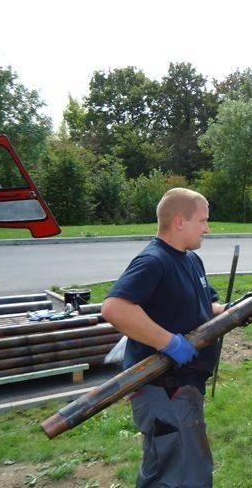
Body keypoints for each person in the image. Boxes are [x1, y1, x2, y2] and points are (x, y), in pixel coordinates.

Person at [101, 188, 225, 488]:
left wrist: (234, 310)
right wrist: (168, 342)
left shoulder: (190, 260)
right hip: (161, 388)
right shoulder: (154, 260)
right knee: (181, 475)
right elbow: (114, 307)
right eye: (203, 221)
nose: (207, 228)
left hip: (183, 386)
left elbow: (205, 306)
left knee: (176, 467)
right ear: (180, 221)